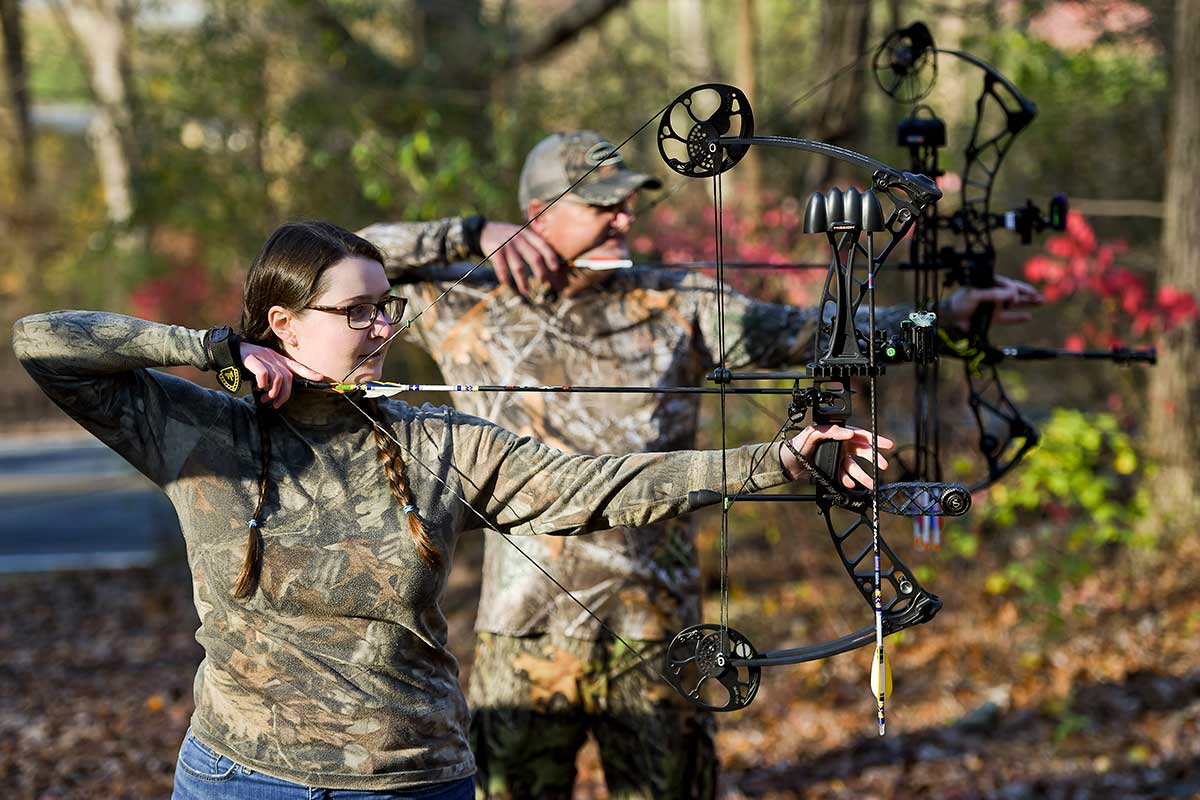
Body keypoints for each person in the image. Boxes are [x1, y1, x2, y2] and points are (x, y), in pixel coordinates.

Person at [11, 220, 888, 799]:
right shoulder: (197, 430)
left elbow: (598, 483)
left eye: (385, 308)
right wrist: (204, 348)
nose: (383, 328)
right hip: (238, 778)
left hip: (409, 777)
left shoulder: (443, 441)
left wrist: (776, 459)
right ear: (283, 323)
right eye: (355, 312)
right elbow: (41, 342)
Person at [358, 131, 1044, 800]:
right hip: (523, 624)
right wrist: (471, 233)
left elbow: (807, 335)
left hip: (656, 623)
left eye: (628, 203)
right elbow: (350, 259)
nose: (624, 218)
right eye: (601, 206)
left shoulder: (676, 298)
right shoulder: (467, 297)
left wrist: (944, 318)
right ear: (540, 215)